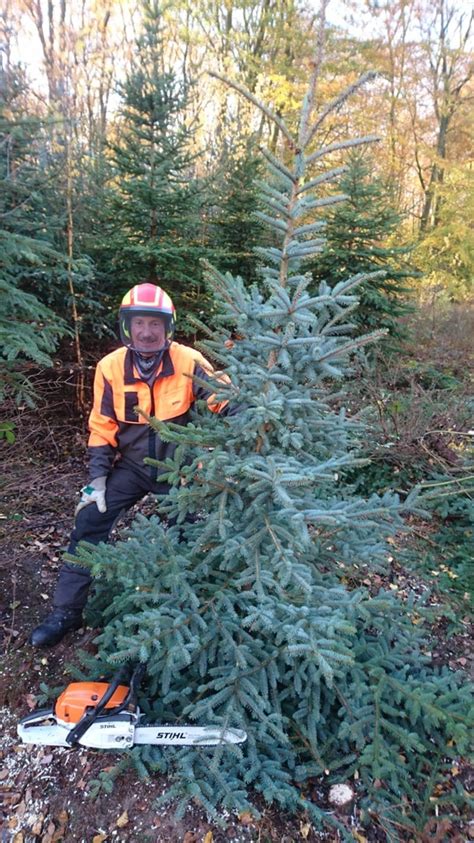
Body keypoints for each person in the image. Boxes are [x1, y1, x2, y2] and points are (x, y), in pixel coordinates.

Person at [30, 282, 229, 648]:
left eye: (156, 324)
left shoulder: (188, 360)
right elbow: (102, 427)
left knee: (182, 534)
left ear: (168, 327)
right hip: (131, 466)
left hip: (178, 468)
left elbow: (224, 398)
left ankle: (179, 617)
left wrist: (256, 416)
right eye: (140, 323)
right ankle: (66, 612)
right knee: (89, 520)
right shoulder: (110, 367)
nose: (148, 332)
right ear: (127, 326)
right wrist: (97, 481)